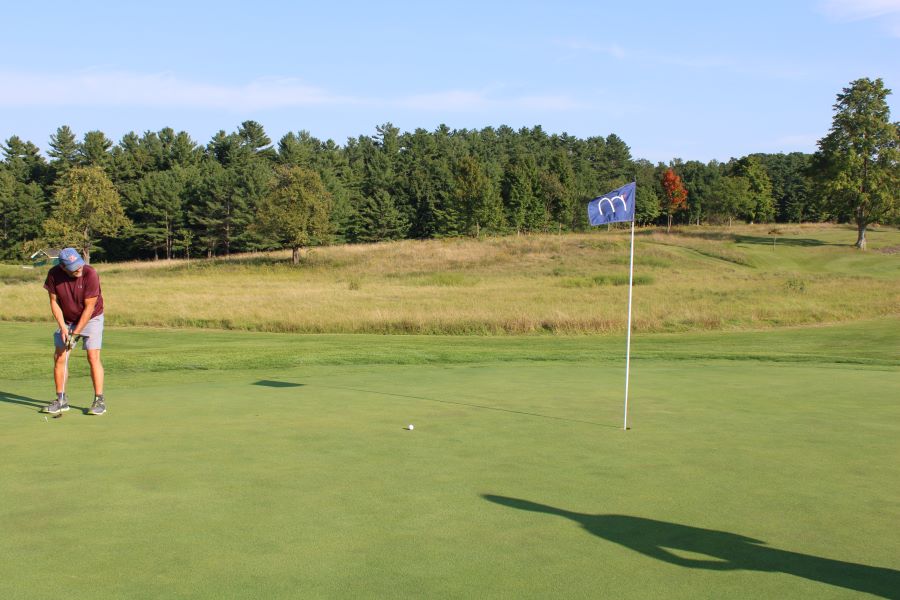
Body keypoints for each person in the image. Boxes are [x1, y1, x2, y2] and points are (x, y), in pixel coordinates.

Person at [43, 247, 106, 415]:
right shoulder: (54, 274)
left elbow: (89, 308)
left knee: (93, 356)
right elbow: (54, 302)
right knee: (60, 356)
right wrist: (63, 327)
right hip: (68, 320)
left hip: (92, 318)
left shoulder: (90, 273)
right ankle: (61, 399)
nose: (79, 269)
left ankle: (99, 400)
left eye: (79, 265)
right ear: (63, 267)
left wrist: (75, 334)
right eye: (74, 267)